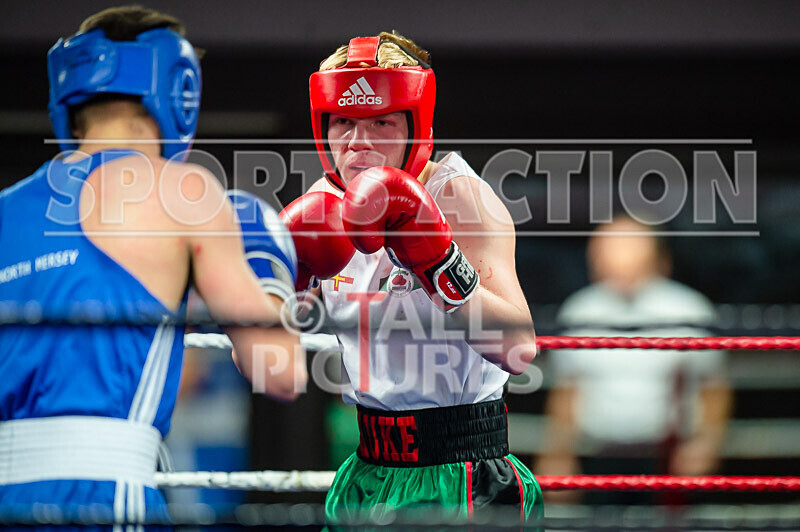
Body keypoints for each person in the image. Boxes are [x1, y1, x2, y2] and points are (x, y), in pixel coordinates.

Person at [0, 6, 306, 526]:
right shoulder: (182, 193)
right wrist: (271, 278)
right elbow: (280, 373)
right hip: (105, 497)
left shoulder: (5, 207)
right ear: (178, 91)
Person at [284, 32, 543, 525]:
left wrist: (436, 260)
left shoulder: (462, 199)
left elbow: (519, 349)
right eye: (343, 122)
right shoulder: (318, 208)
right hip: (367, 470)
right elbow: (256, 363)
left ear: (415, 125)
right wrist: (285, 286)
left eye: (380, 121)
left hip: (462, 471)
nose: (358, 141)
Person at [536, 214, 732, 505]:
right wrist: (558, 454)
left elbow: (714, 387)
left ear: (651, 252)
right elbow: (568, 391)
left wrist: (706, 444)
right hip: (598, 455)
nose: (612, 253)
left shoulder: (688, 309)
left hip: (669, 459)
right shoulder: (580, 310)